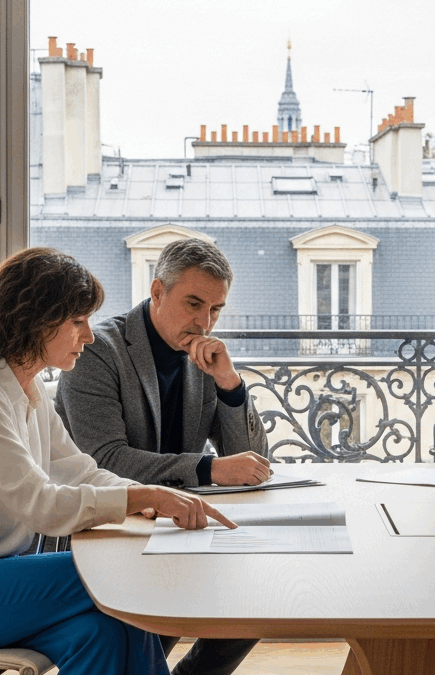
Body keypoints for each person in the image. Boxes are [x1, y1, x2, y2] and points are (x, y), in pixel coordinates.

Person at [0, 247, 235, 675]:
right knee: (122, 575)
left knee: (104, 631)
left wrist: (144, 498)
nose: (90, 335)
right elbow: (40, 505)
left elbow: (79, 469)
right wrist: (140, 496)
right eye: (77, 321)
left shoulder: (28, 390)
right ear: (37, 320)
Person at [55, 237, 269, 675]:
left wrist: (229, 383)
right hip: (108, 527)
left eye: (215, 309)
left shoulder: (204, 358)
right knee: (161, 615)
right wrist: (207, 468)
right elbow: (104, 460)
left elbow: (251, 461)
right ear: (157, 292)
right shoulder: (98, 350)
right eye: (194, 304)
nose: (204, 321)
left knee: (255, 598)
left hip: (175, 525)